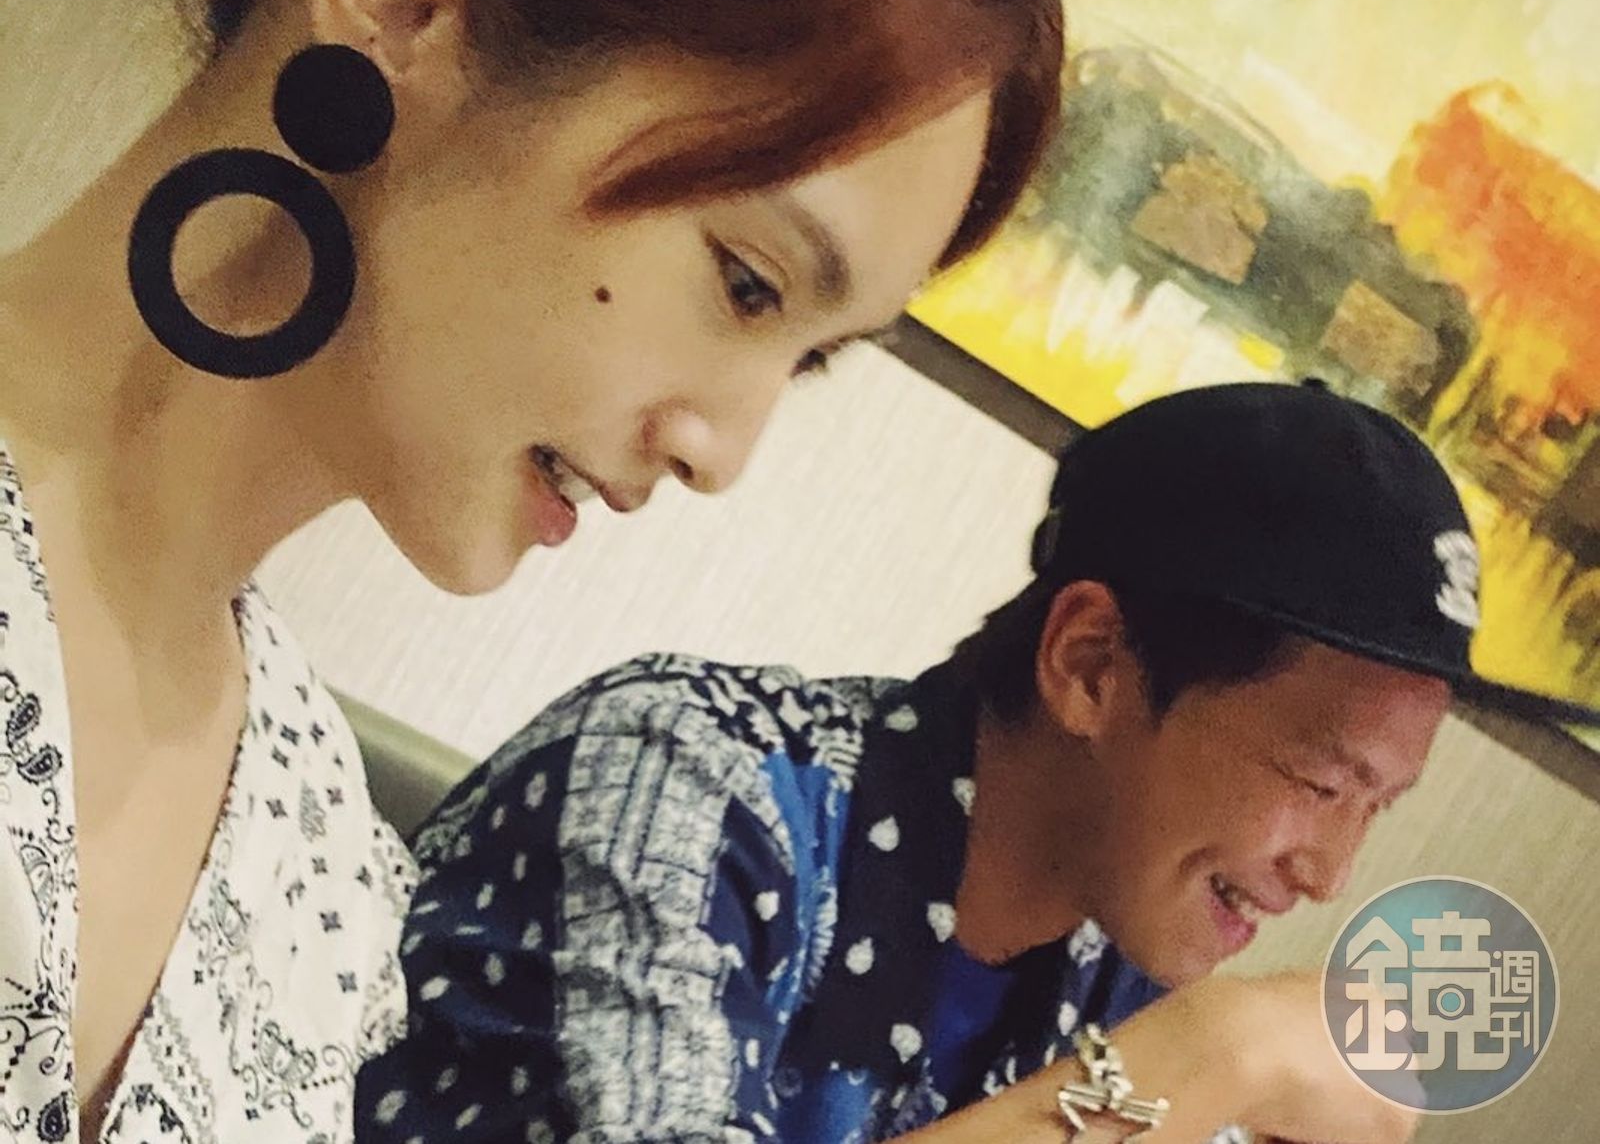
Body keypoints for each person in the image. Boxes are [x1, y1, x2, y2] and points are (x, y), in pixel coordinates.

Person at [0, 0, 1063, 1138]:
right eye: (746, 282)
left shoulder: (310, 841)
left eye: (808, 359)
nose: (724, 455)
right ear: (402, 1)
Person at [356, 381, 1600, 1143]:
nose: (1327, 873)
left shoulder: (1128, 972)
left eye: (1376, 807)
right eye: (1320, 783)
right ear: (1090, 662)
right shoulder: (688, 781)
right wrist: (1204, 1062)